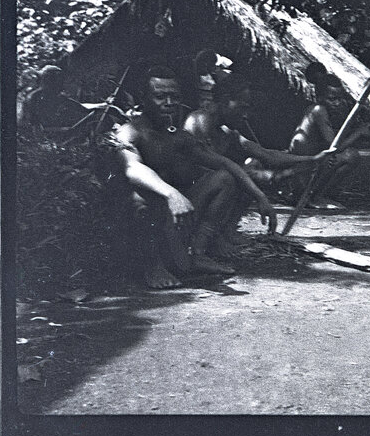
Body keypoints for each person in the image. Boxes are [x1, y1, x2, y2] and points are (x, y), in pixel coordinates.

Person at [105, 66, 278, 289]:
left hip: (173, 219)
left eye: (174, 97)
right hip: (143, 218)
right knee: (139, 197)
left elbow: (225, 163)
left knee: (224, 178)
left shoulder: (178, 137)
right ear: (144, 98)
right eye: (160, 96)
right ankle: (152, 266)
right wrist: (171, 193)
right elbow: (132, 168)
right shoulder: (130, 132)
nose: (168, 102)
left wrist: (260, 197)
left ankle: (197, 253)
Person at [183, 73, 334, 253]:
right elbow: (215, 168)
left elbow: (266, 154)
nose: (246, 116)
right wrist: (262, 191)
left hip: (205, 195)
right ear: (225, 101)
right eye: (243, 107)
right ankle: (203, 245)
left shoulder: (226, 131)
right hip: (187, 200)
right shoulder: (200, 120)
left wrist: (312, 159)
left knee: (251, 167)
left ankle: (225, 232)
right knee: (237, 176)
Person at [289, 74, 367, 209]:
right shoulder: (319, 110)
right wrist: (358, 133)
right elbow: (334, 146)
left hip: (306, 168)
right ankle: (315, 197)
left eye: (340, 98)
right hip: (301, 173)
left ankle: (317, 194)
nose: (337, 103)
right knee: (351, 155)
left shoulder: (322, 110)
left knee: (339, 156)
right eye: (332, 99)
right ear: (319, 98)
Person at [19, 65, 91, 135]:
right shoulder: (34, 98)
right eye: (59, 82)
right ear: (49, 82)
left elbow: (77, 106)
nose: (62, 85)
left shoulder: (56, 96)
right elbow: (34, 127)